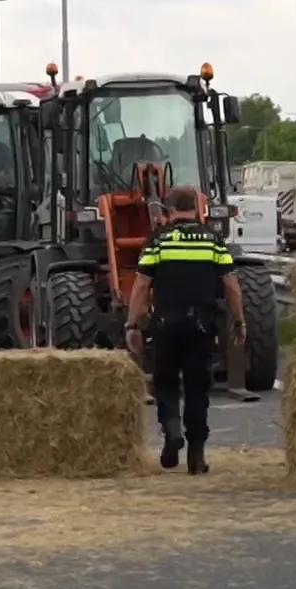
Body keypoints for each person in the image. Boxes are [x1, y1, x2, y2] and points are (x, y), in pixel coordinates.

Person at [124, 186, 246, 475]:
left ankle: (171, 428)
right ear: (197, 207)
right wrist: (239, 321)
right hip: (202, 325)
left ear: (169, 209)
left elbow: (141, 286)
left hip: (166, 323)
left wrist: (132, 324)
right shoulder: (213, 241)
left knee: (165, 381)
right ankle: (196, 455)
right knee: (196, 388)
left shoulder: (158, 241)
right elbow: (231, 287)